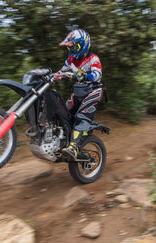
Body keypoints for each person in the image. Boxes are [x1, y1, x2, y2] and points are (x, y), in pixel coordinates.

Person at [54, 28, 103, 160]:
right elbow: (61, 72)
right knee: (63, 113)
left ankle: (74, 147)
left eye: (75, 46)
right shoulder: (70, 59)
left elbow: (98, 74)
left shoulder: (93, 58)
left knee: (82, 116)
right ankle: (62, 140)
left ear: (84, 45)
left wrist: (83, 76)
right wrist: (51, 77)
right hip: (79, 92)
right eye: (71, 47)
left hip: (93, 91)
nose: (73, 49)